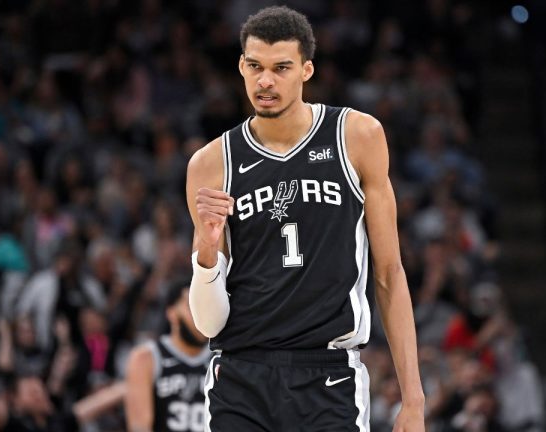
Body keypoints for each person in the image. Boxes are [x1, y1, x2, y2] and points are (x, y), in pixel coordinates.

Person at [185, 6, 425, 431]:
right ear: (241, 65)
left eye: (281, 68)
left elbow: (388, 273)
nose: (265, 81)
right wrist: (205, 254)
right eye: (255, 66)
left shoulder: (357, 136)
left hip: (328, 375)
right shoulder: (210, 164)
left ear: (306, 70)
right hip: (240, 375)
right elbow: (208, 323)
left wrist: (414, 398)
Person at [125, 280, 211, 432]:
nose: (200, 314)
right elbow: (139, 427)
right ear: (171, 312)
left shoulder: (222, 359)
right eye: (192, 306)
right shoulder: (147, 357)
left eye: (205, 306)